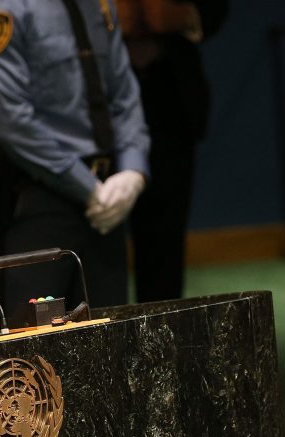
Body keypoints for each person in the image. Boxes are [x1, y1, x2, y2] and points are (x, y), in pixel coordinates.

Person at [0, 0, 151, 314]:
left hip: (111, 195)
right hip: (39, 199)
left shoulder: (96, 5)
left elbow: (124, 92)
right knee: (33, 342)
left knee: (108, 334)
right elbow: (12, 123)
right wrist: (89, 189)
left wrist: (133, 170)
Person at [119, 0, 228, 302]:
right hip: (96, 104)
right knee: (97, 240)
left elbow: (215, 10)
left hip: (170, 96)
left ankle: (162, 338)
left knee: (165, 237)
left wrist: (185, 16)